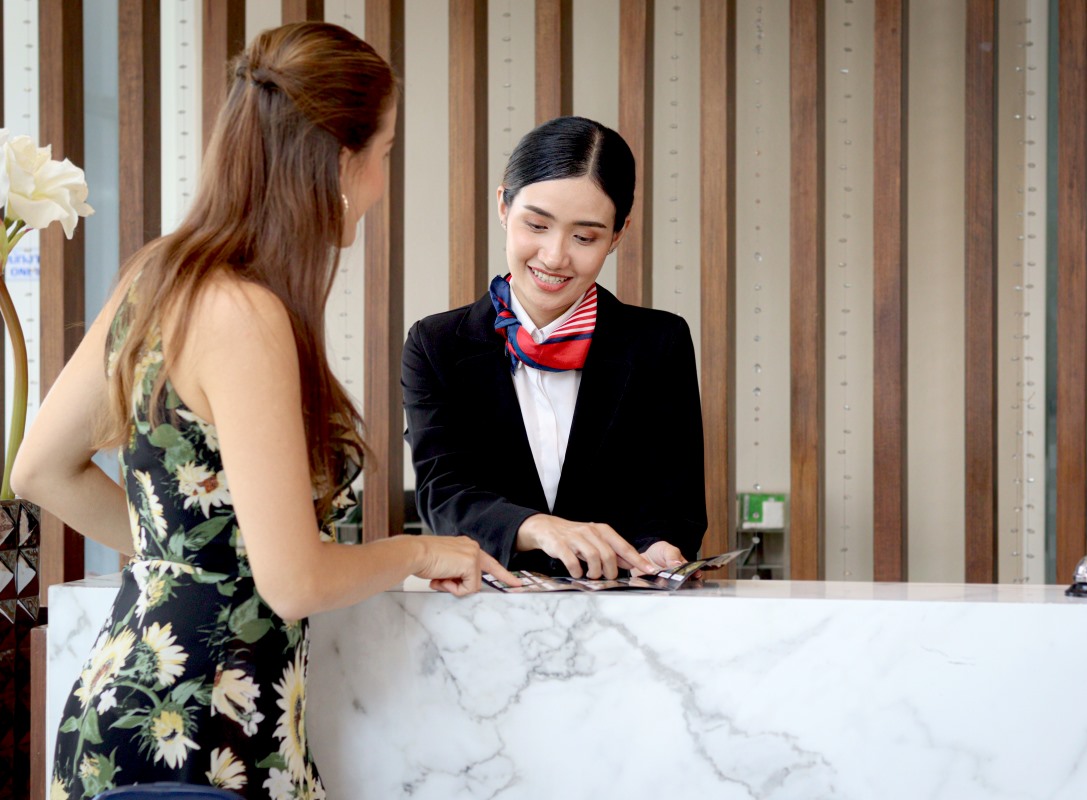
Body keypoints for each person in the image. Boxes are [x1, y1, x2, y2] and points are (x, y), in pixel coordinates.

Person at [13, 22, 516, 800]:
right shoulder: (245, 315)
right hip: (196, 734)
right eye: (384, 154)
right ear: (341, 164)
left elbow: (40, 468)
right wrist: (418, 552)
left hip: (126, 712)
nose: (382, 183)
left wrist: (192, 561)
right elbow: (295, 581)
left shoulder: (160, 276)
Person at [402, 116, 707, 581]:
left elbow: (674, 499)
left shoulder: (658, 344)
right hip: (486, 614)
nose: (554, 256)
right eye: (537, 225)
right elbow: (443, 496)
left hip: (624, 613)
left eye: (585, 237)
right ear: (503, 205)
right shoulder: (437, 345)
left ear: (618, 234)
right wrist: (535, 527)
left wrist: (661, 548)